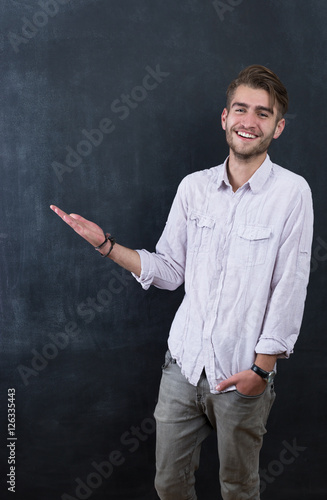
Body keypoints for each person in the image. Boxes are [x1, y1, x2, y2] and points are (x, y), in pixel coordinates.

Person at [50, 65, 314, 500]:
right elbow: (171, 270)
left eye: (263, 114)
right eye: (241, 109)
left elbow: (290, 285)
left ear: (278, 127)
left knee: (239, 488)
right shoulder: (194, 188)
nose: (250, 121)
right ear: (224, 117)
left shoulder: (292, 193)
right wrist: (106, 245)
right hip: (183, 366)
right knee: (169, 484)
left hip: (241, 372)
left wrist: (260, 372)